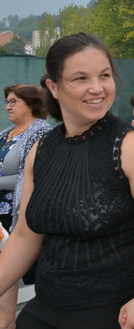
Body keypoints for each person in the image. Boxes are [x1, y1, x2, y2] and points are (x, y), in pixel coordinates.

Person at [0, 32, 134, 328]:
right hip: (46, 306)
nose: (96, 88)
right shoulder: (42, 149)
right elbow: (24, 237)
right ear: (53, 87)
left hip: (119, 311)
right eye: (81, 78)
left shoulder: (132, 147)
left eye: (104, 75)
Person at [0, 84, 51, 326]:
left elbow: (30, 175)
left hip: (17, 217)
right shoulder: (6, 132)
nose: (8, 106)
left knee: (13, 278)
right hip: (0, 216)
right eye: (7, 101)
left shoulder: (40, 132)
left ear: (32, 104)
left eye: (13, 101)